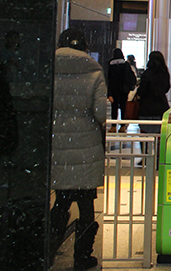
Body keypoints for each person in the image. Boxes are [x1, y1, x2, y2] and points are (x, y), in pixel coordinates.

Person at [50, 28, 106, 271]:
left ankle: (49, 249)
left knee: (60, 203)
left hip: (57, 145)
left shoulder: (49, 67)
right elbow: (101, 114)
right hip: (85, 146)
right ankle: (82, 256)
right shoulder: (93, 70)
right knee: (85, 205)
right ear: (84, 45)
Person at [137, 51, 171, 135]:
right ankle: (159, 148)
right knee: (160, 135)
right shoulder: (164, 73)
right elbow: (167, 88)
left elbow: (142, 90)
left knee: (145, 135)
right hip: (161, 108)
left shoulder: (147, 73)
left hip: (146, 108)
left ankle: (145, 148)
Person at [107, 48, 136, 129]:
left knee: (114, 107)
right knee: (123, 107)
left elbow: (108, 78)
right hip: (124, 89)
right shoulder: (125, 64)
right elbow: (131, 76)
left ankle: (113, 126)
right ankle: (122, 126)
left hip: (113, 90)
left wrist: (109, 93)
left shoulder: (110, 65)